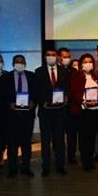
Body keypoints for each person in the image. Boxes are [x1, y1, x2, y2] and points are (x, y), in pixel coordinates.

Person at [35, 47, 68, 177]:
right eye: (48, 54)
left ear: (57, 56)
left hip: (60, 111)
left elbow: (66, 88)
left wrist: (66, 97)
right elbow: (36, 91)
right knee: (45, 140)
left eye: (53, 54)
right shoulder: (39, 71)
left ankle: (60, 166)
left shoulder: (63, 71)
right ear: (45, 56)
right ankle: (46, 166)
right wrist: (42, 102)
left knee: (59, 140)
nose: (51, 57)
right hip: (45, 111)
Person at [4, 54, 36, 178]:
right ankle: (12, 169)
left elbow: (36, 92)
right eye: (17, 61)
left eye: (22, 62)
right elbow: (2, 95)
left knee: (26, 144)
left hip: (27, 115)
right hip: (12, 115)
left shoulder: (31, 76)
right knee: (12, 144)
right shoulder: (6, 77)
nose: (20, 64)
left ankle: (26, 167)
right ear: (13, 64)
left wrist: (34, 102)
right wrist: (9, 103)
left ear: (25, 64)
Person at [69, 53, 98, 172]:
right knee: (84, 137)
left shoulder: (95, 76)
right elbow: (73, 93)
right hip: (84, 111)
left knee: (92, 136)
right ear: (81, 64)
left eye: (90, 61)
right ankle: (85, 161)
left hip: (96, 110)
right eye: (85, 62)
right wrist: (83, 101)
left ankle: (90, 159)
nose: (88, 64)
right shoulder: (77, 76)